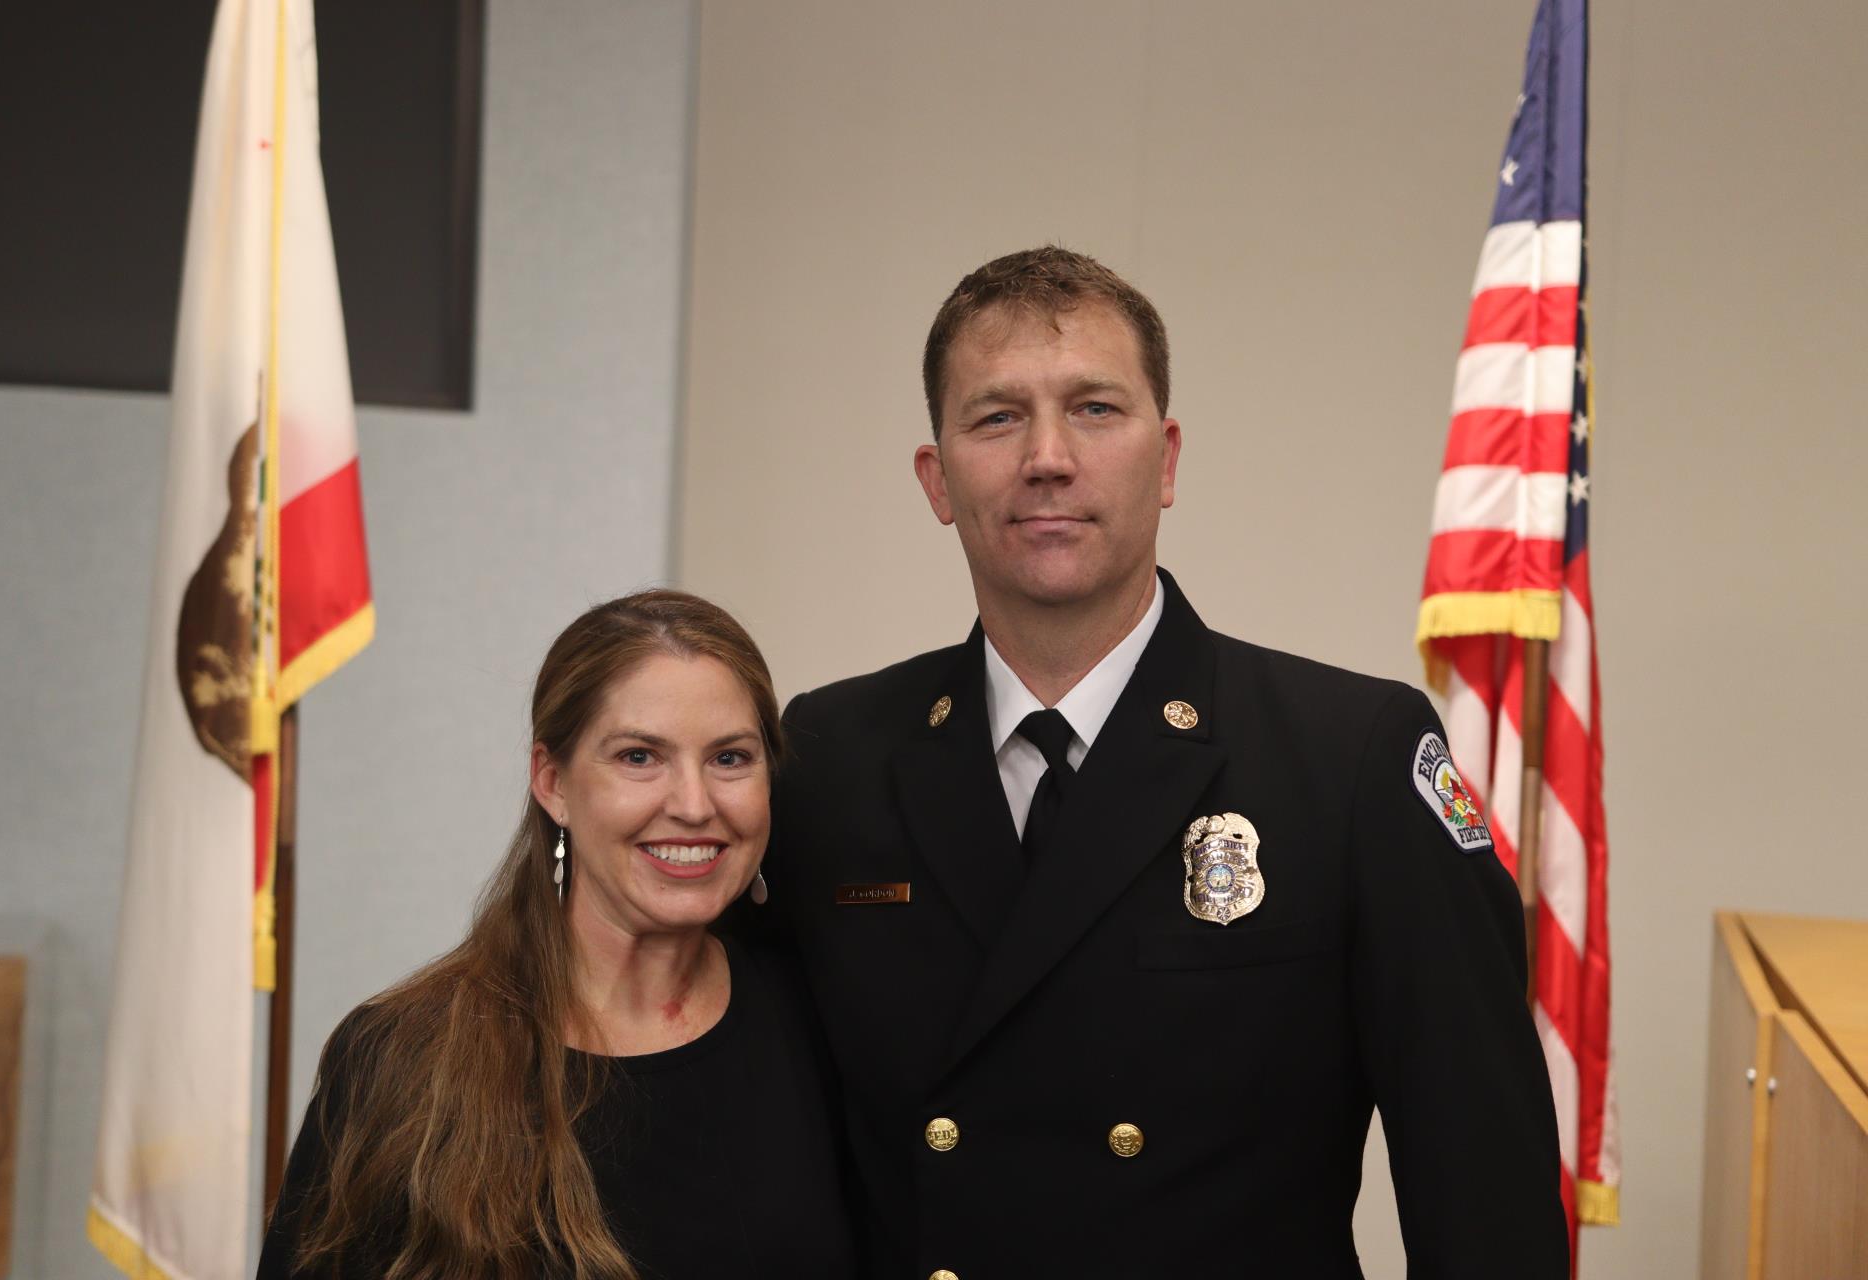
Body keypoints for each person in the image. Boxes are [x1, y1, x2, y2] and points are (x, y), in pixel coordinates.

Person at [764, 247, 1570, 1276]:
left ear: (1170, 457)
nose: (1047, 456)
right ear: (937, 477)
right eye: (996, 416)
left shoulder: (1349, 759)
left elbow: (1484, 1199)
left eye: (1096, 408)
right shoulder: (832, 756)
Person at [257, 591, 856, 1280]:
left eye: (730, 759)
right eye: (639, 757)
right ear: (553, 782)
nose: (694, 805)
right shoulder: (399, 1060)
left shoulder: (826, 1026)